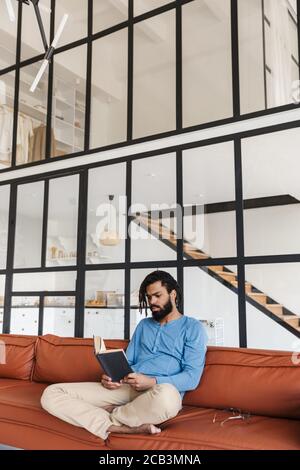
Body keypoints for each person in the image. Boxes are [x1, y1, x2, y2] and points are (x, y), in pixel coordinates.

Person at [41, 270, 208, 440]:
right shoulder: (144, 325)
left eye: (157, 296)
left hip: (158, 392)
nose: (152, 302)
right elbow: (128, 361)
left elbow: (191, 378)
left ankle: (112, 414)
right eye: (149, 297)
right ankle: (121, 426)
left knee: (168, 398)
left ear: (173, 294)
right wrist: (112, 376)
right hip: (126, 387)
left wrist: (151, 381)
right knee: (52, 393)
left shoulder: (193, 328)